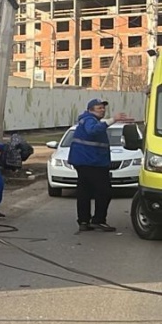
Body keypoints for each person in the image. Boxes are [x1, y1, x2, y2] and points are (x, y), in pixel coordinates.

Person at [68, 98, 115, 232]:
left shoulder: (87, 120)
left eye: (103, 107)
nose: (103, 110)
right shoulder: (90, 120)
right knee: (105, 191)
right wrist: (112, 120)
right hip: (92, 163)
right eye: (99, 108)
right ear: (90, 110)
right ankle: (98, 220)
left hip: (84, 162)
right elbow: (92, 131)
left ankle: (83, 221)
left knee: (84, 192)